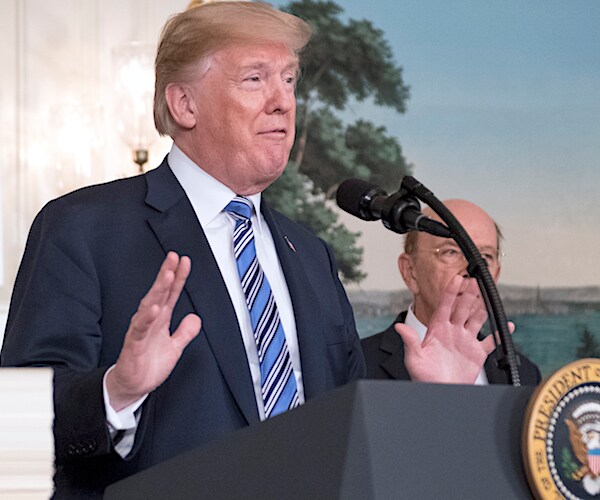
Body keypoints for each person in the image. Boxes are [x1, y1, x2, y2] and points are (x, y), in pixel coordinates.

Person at [0, 2, 505, 497]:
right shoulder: (84, 228)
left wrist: (436, 401)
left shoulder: (310, 255)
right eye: (255, 78)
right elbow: (19, 426)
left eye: (289, 80)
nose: (283, 101)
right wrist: (118, 390)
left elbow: (350, 435)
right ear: (184, 104)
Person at [361, 199, 541, 385]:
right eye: (451, 252)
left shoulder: (524, 374)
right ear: (410, 272)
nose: (472, 269)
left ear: (495, 276)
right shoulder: (356, 366)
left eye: (485, 257)